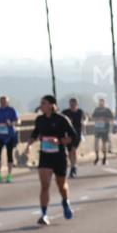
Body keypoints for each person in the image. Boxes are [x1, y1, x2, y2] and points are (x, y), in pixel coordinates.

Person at [24, 95, 78, 225]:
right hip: (45, 156)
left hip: (59, 156)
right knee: (45, 186)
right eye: (41, 103)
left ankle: (65, 201)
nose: (41, 105)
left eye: (44, 103)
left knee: (61, 186)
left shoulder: (61, 119)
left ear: (51, 105)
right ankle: (44, 214)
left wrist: (58, 141)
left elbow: (73, 137)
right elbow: (35, 134)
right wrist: (29, 145)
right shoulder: (40, 119)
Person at [0, 95, 20, 183]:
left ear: (8, 102)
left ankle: (9, 175)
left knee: (9, 155)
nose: (3, 103)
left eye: (4, 101)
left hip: (9, 136)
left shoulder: (12, 110)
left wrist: (11, 123)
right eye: (1, 101)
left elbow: (18, 121)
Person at [61, 98, 86, 178]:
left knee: (73, 150)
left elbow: (85, 118)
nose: (72, 105)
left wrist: (84, 123)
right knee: (70, 152)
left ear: (76, 104)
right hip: (68, 134)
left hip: (77, 134)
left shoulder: (80, 112)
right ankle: (73, 166)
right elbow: (59, 118)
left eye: (74, 104)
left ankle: (73, 168)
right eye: (71, 104)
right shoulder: (65, 112)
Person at [91, 98, 114, 165]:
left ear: (104, 103)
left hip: (105, 129)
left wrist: (105, 119)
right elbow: (92, 117)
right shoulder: (96, 109)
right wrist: (97, 119)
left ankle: (104, 157)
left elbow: (112, 118)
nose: (101, 103)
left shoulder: (107, 110)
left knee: (104, 144)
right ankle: (97, 157)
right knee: (96, 143)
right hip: (97, 129)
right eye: (100, 102)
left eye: (102, 102)